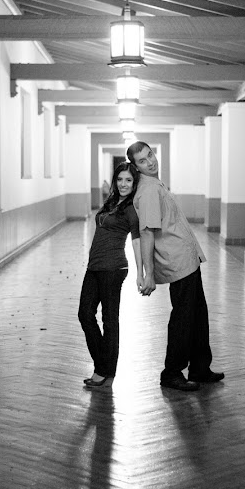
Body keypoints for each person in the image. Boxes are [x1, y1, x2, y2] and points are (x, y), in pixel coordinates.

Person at [127, 141, 224, 392]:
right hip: (176, 262)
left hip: (186, 259)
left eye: (150, 155)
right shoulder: (148, 190)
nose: (151, 162)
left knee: (197, 315)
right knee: (183, 317)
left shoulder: (156, 184)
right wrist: (148, 274)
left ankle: (200, 367)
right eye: (143, 161)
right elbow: (147, 232)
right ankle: (171, 372)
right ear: (136, 168)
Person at [79, 162, 143, 390]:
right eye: (120, 179)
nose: (123, 184)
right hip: (94, 267)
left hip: (113, 269)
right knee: (85, 314)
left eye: (128, 180)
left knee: (109, 320)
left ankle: (106, 372)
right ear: (115, 181)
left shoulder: (131, 208)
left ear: (134, 184)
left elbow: (136, 240)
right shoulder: (110, 201)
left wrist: (141, 273)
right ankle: (102, 365)